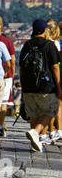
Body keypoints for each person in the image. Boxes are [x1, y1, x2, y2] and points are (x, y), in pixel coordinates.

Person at [20, 19, 62, 152]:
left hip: (28, 86)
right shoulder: (49, 45)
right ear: (45, 30)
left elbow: (21, 68)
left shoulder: (27, 45)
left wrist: (22, 86)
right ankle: (36, 132)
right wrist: (59, 86)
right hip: (45, 86)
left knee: (34, 114)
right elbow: (55, 67)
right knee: (51, 110)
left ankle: (36, 144)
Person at [0, 15, 16, 138]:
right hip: (6, 75)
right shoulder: (7, 41)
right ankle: (0, 125)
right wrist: (12, 73)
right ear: (1, 25)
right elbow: (13, 61)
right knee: (4, 101)